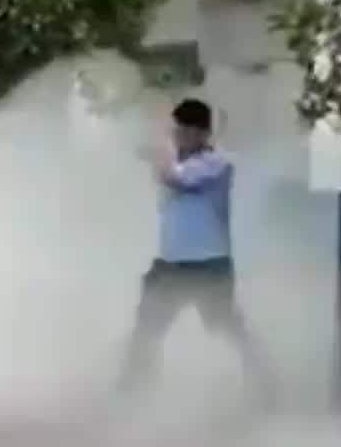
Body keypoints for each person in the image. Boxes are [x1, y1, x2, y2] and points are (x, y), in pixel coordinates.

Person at [117, 97, 274, 399]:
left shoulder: (216, 163)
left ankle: (263, 380)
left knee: (224, 326)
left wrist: (158, 150)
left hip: (209, 264)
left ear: (202, 133)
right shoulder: (180, 161)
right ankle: (132, 388)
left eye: (185, 132)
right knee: (147, 326)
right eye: (177, 131)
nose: (180, 138)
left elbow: (173, 178)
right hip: (171, 263)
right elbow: (157, 164)